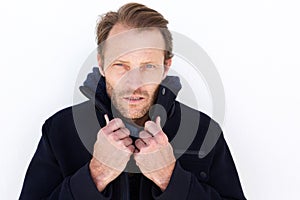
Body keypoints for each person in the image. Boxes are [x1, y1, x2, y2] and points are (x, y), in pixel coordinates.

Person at [19, 3, 246, 200]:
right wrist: (96, 174)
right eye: (121, 65)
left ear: (166, 67)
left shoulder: (204, 132)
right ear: (101, 63)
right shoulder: (60, 130)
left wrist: (170, 177)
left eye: (148, 66)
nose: (133, 83)